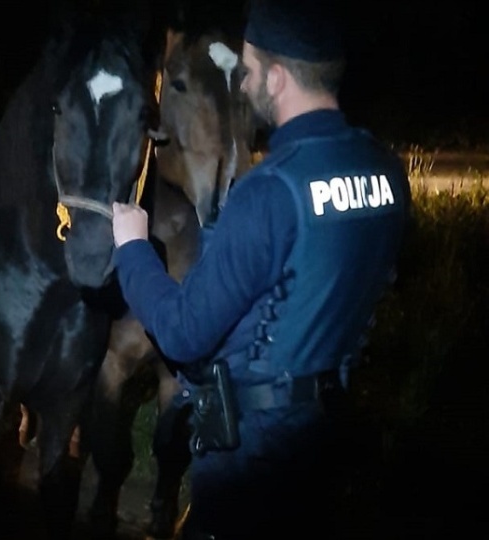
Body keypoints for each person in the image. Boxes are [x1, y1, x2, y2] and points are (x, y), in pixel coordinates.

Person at [110, 0, 412, 538]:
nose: (242, 87)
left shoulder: (271, 191)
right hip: (323, 439)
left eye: (247, 72)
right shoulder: (383, 170)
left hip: (250, 460)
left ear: (276, 79)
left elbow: (182, 333)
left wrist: (133, 249)